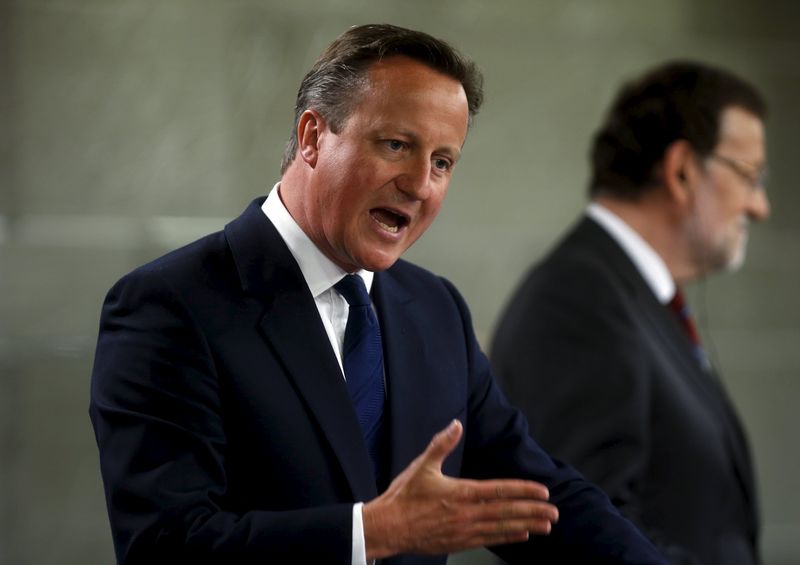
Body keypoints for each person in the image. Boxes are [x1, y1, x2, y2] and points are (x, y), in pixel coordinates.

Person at [89, 24, 666, 564]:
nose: (420, 185)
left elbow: (535, 499)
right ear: (313, 137)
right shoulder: (168, 306)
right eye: (396, 145)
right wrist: (372, 532)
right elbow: (164, 545)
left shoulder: (436, 310)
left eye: (443, 162)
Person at [490, 61, 769, 565]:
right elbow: (588, 532)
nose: (760, 206)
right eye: (749, 176)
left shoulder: (632, 296)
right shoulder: (577, 301)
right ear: (682, 169)